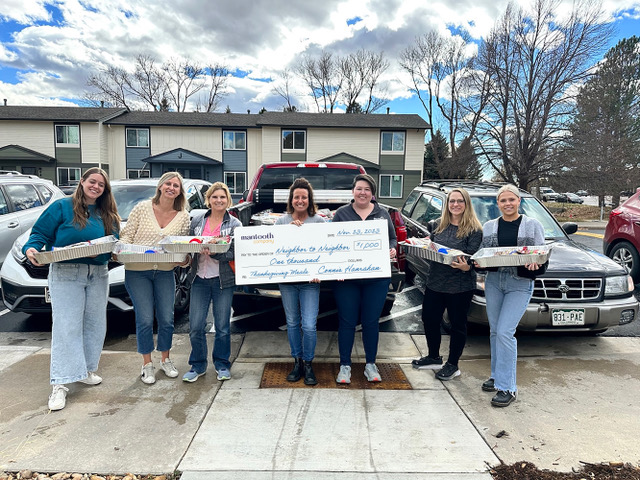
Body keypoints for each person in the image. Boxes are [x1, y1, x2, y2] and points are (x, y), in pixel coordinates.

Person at [24, 167, 120, 411]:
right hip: (67, 273)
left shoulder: (106, 212)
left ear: (104, 190)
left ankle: (84, 370)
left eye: (101, 184)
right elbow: (39, 234)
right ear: (82, 182)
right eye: (92, 182)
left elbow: (114, 240)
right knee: (67, 326)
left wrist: (110, 250)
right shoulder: (62, 207)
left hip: (98, 274)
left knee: (94, 324)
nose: (96, 187)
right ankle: (60, 383)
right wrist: (31, 250)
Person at [476, 184, 546, 407]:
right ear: (498, 204)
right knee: (496, 331)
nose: (507, 204)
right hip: (495, 282)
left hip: (520, 282)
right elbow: (484, 256)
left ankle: (508, 387)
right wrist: (477, 262)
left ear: (519, 201)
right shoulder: (489, 227)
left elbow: (542, 256)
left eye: (511, 200)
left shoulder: (532, 225)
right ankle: (497, 376)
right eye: (503, 201)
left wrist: (536, 264)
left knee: (506, 332)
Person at [120, 171, 190, 385]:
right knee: (145, 319)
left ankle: (166, 359)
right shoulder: (142, 208)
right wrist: (124, 250)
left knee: (167, 318)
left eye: (176, 185)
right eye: (168, 183)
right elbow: (125, 237)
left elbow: (183, 247)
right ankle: (147, 364)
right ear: (160, 186)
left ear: (180, 191)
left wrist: (184, 260)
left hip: (165, 272)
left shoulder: (183, 215)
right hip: (137, 272)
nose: (171, 188)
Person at [412, 188, 483, 381]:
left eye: (460, 201)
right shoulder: (437, 225)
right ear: (447, 204)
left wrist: (466, 267)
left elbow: (474, 259)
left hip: (460, 286)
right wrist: (419, 244)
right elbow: (432, 246)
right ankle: (433, 356)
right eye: (452, 201)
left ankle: (453, 364)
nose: (455, 205)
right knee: (429, 319)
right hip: (435, 282)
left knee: (457, 326)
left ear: (466, 204)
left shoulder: (474, 230)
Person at [332, 173, 397, 384]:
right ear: (353, 191)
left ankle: (370, 364)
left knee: (371, 322)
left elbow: (393, 238)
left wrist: (392, 250)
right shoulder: (341, 214)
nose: (363, 192)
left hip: (376, 278)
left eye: (367, 189)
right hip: (347, 279)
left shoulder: (382, 214)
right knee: (347, 321)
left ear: (372, 193)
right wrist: (336, 269)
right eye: (359, 188)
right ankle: (344, 366)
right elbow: (331, 243)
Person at [183, 182, 242, 383]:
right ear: (208, 199)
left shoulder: (234, 225)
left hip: (222, 281)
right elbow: (188, 245)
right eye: (215, 197)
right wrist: (193, 249)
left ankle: (222, 364)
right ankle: (198, 365)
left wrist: (218, 252)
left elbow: (237, 253)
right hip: (199, 278)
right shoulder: (197, 221)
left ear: (228, 200)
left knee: (223, 326)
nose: (218, 200)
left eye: (222, 197)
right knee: (196, 326)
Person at [275, 178, 325, 386]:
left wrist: (320, 271)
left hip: (310, 282)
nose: (300, 200)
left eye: (304, 197)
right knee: (293, 323)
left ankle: (308, 363)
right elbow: (274, 250)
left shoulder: (319, 222)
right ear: (291, 199)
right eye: (297, 197)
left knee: (309, 325)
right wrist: (290, 232)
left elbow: (326, 251)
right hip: (287, 282)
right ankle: (297, 362)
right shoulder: (281, 222)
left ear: (309, 199)